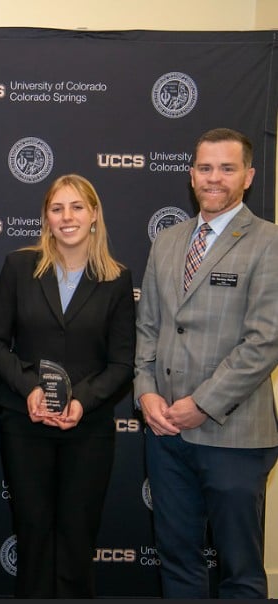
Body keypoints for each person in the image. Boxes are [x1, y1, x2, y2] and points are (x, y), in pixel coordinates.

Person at [134, 128, 278, 599]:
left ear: (249, 177)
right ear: (192, 175)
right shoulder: (169, 241)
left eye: (227, 168)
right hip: (166, 433)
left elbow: (264, 341)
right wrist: (146, 391)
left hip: (233, 435)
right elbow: (149, 330)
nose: (214, 178)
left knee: (240, 571)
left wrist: (203, 402)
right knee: (177, 563)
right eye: (205, 167)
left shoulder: (268, 242)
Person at [0, 173, 135, 597]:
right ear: (46, 218)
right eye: (57, 208)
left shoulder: (118, 279)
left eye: (76, 207)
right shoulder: (19, 267)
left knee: (76, 540)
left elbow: (122, 362)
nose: (66, 217)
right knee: (32, 537)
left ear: (94, 216)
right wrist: (29, 387)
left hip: (87, 431)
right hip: (25, 425)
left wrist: (83, 401)